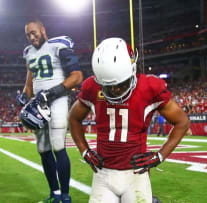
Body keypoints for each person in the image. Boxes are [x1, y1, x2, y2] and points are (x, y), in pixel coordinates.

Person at [68, 38, 190, 202]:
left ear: (133, 70)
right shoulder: (92, 87)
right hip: (103, 174)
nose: (114, 90)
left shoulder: (149, 87)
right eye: (108, 86)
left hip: (135, 174)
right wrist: (84, 151)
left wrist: (160, 156)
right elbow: (73, 118)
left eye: (120, 84)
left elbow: (182, 122)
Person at [17, 19, 83, 203]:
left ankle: (65, 194)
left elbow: (77, 76)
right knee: (43, 148)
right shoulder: (28, 53)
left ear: (43, 30)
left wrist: (52, 92)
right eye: (28, 35)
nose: (31, 37)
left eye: (34, 33)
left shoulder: (58, 45)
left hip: (58, 100)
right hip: (38, 103)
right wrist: (24, 95)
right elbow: (30, 82)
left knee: (57, 145)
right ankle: (54, 193)